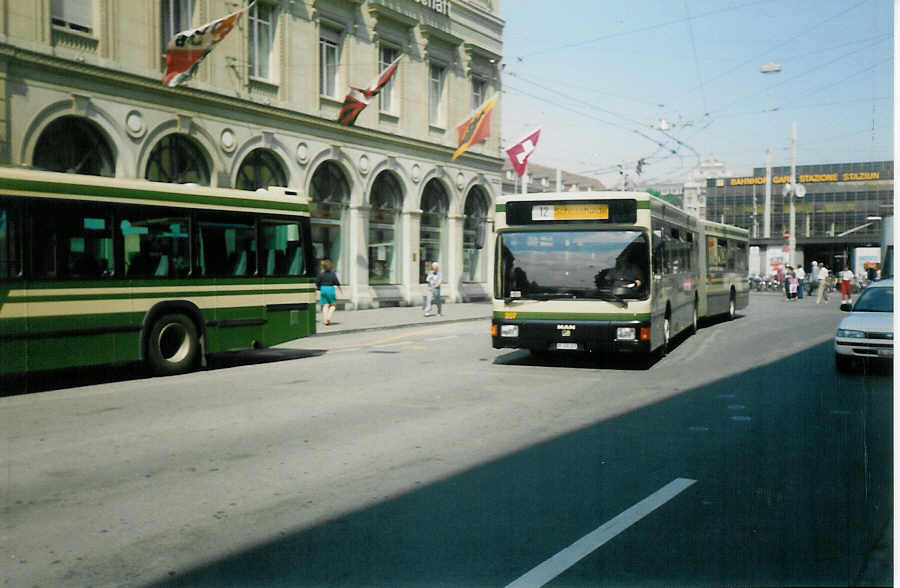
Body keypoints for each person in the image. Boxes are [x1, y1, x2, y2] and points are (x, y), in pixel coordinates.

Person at [315, 259, 342, 325]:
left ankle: (325, 319)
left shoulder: (321, 274)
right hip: (330, 289)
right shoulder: (333, 274)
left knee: (325, 305)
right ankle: (328, 318)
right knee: (333, 305)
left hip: (323, 289)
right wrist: (340, 289)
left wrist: (317, 289)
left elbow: (317, 282)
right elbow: (336, 282)